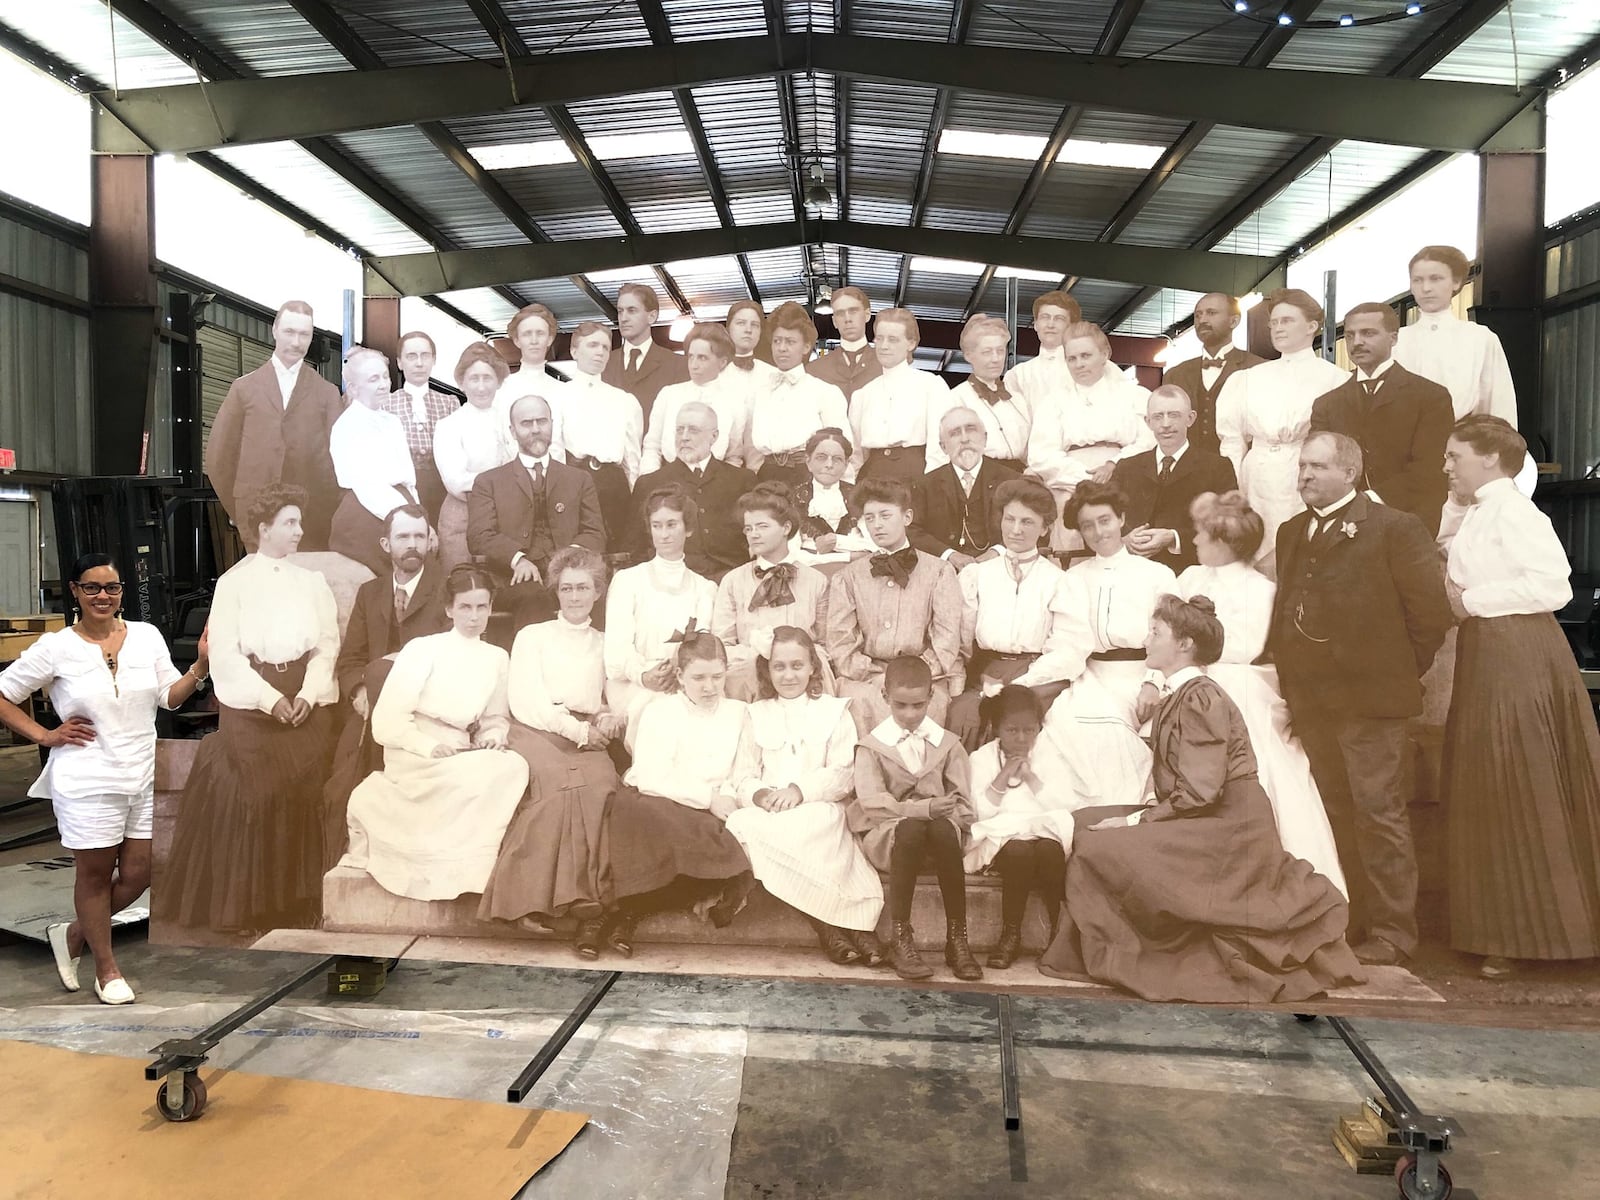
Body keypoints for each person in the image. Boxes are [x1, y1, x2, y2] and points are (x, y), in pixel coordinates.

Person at [1039, 595, 1365, 1004]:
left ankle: (1139, 954)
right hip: (1208, 816)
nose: (1146, 640)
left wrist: (1135, 822)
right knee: (1086, 821)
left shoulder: (1200, 697)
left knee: (1097, 846)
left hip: (1231, 828)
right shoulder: (1182, 693)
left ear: (1184, 644)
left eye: (1155, 633)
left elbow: (1199, 791)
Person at [1268, 432, 1452, 967]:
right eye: (1301, 465)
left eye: (1317, 466)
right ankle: (1350, 921)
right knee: (1333, 814)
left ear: (1350, 472)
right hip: (1314, 704)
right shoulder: (1291, 532)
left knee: (1380, 815)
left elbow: (1431, 618)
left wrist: (1389, 674)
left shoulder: (1395, 528)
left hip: (1371, 705)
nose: (1304, 474)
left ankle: (1395, 933)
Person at [0, 554, 208, 1004]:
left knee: (140, 873)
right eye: (92, 588)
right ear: (74, 590)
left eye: (111, 588)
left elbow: (170, 699)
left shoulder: (147, 636)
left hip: (141, 773)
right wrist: (44, 734)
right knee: (94, 877)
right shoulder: (56, 647)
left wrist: (200, 667)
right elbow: (4, 694)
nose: (102, 596)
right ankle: (106, 968)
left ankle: (75, 933)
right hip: (87, 778)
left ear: (121, 592)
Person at [1440, 415, 1600, 978]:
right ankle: (1500, 928)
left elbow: (1553, 584)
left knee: (1516, 780)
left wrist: (1471, 600)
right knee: (1490, 780)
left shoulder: (1516, 511)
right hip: (1488, 652)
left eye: (1455, 455)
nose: (1447, 465)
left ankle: (1531, 934)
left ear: (1490, 459)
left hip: (1519, 656)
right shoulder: (1479, 512)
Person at [157, 485, 340, 933]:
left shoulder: (313, 583)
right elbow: (224, 656)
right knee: (258, 793)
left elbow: (327, 646)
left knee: (308, 788)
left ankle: (299, 905)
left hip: (304, 698)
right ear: (264, 529)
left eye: (299, 522)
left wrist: (308, 695)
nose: (299, 531)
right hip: (252, 702)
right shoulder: (233, 584)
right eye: (290, 523)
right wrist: (271, 700)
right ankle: (248, 909)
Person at [1176, 491, 1346, 894]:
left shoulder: (1259, 589)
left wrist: (1192, 647)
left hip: (1236, 682)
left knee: (1263, 767)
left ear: (1224, 542)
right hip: (1186, 677)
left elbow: (1243, 647)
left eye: (1202, 534)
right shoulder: (1189, 578)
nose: (1195, 540)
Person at [342, 566, 529, 900]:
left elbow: (497, 717)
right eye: (465, 607)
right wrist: (428, 746)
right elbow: (387, 721)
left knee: (513, 766)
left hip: (461, 750)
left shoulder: (497, 657)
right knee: (480, 776)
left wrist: (494, 735)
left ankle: (472, 870)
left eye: (481, 607)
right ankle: (441, 868)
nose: (474, 617)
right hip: (413, 751)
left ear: (491, 608)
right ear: (449, 609)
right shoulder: (423, 649)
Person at [479, 547, 624, 955]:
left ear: (598, 591)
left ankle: (583, 900)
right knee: (561, 786)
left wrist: (611, 718)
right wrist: (576, 730)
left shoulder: (606, 643)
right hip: (535, 729)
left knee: (600, 785)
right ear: (555, 592)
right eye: (566, 588)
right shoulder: (533, 636)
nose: (574, 596)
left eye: (583, 588)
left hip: (587, 733)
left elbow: (613, 698)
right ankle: (522, 902)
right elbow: (528, 702)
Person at [725, 626, 884, 965]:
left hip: (817, 808)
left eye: (797, 665)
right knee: (742, 823)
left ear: (813, 666)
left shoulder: (834, 710)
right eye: (779, 666)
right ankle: (831, 927)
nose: (788, 675)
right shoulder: (755, 714)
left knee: (816, 821)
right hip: (770, 815)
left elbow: (844, 772)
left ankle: (842, 929)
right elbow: (743, 774)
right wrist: (760, 794)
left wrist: (801, 790)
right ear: (767, 670)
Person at [1014, 481, 1177, 808]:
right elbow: (1068, 646)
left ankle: (1123, 813)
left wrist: (1153, 683)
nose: (1098, 532)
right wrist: (1023, 684)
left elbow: (1171, 639)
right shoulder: (1074, 578)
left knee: (1110, 735)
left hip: (1142, 676)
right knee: (1065, 725)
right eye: (1088, 526)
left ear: (1121, 519)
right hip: (1090, 677)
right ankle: (1074, 816)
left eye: (1105, 520)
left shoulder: (1157, 574)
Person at [601, 632, 753, 956]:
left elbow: (742, 770)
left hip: (709, 808)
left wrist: (723, 796)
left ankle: (632, 912)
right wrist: (706, 797)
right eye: (698, 677)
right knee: (638, 813)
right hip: (666, 798)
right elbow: (653, 775)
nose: (709, 687)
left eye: (717, 676)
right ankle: (619, 914)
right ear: (681, 677)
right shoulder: (661, 711)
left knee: (722, 849)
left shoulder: (739, 712)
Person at [322, 504, 451, 869]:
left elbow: (453, 659)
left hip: (424, 712)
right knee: (342, 781)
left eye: (419, 536)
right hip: (369, 709)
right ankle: (346, 864)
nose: (412, 545)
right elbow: (350, 659)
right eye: (403, 537)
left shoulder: (447, 590)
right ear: (386, 543)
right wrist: (358, 692)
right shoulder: (370, 593)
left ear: (430, 541)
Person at [848, 655, 978, 982]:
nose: (910, 715)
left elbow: (961, 799)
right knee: (911, 828)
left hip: (939, 842)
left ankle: (957, 938)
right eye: (901, 705)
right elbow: (872, 804)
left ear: (931, 698)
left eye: (918, 705)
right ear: (884, 697)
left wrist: (946, 814)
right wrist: (921, 809)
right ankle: (901, 936)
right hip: (893, 839)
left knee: (941, 828)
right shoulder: (872, 747)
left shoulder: (947, 745)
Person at [1216, 289, 1349, 570]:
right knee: (1252, 552)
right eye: (1274, 322)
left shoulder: (1335, 379)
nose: (1278, 328)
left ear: (1311, 326)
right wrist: (1234, 486)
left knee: (1298, 553)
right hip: (1256, 476)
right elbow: (1232, 440)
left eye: (1287, 321)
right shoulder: (1249, 378)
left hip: (1302, 472)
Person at [1394, 246, 1536, 499]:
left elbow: (1498, 403)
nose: (1426, 288)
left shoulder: (1479, 337)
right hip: (1405, 456)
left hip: (1464, 453)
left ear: (1456, 282)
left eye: (1436, 278)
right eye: (1418, 280)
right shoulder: (1396, 342)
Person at [824, 478, 963, 732]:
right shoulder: (849, 577)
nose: (877, 525)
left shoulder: (940, 572)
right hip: (866, 678)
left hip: (924, 677)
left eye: (885, 515)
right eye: (870, 518)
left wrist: (914, 676)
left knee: (925, 709)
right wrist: (872, 674)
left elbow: (947, 638)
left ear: (907, 517)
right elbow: (839, 641)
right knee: (859, 707)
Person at [205, 300, 343, 550]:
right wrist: (240, 509)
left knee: (306, 588)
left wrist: (328, 510)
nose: (296, 342)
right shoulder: (244, 389)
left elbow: (343, 461)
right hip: (257, 519)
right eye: (289, 332)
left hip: (313, 522)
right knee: (265, 587)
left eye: (304, 334)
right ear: (275, 330)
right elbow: (218, 458)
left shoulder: (327, 394)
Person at [1310, 302, 1453, 535]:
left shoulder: (1430, 397)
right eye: (1350, 335)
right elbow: (1317, 466)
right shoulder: (1327, 404)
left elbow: (1430, 469)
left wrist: (1369, 500)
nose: (1357, 342)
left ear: (1393, 338)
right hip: (1341, 525)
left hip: (1409, 521)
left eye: (1368, 333)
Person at [947, 478, 1065, 750]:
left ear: (1045, 527)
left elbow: (1065, 648)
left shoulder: (1058, 581)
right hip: (987, 671)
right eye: (1009, 519)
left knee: (1023, 717)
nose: (1015, 530)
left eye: (1027, 522)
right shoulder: (977, 575)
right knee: (964, 713)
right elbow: (962, 641)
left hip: (1039, 675)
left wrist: (1023, 681)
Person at [467, 392, 605, 624]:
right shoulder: (489, 482)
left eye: (541, 421)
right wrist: (517, 559)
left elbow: (595, 533)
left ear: (552, 424)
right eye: (526, 423)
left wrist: (567, 562)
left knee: (593, 592)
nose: (535, 429)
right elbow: (479, 536)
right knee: (533, 596)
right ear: (512, 431)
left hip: (568, 577)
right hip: (513, 581)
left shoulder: (579, 479)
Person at [964, 686, 1074, 969]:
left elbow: (1064, 803)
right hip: (1003, 835)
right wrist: (1004, 775)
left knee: (1050, 851)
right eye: (1013, 731)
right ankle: (1010, 935)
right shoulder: (982, 758)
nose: (1022, 738)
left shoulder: (1050, 756)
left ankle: (1057, 934)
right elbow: (979, 812)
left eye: (1030, 730)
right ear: (997, 728)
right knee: (1020, 853)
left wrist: (1030, 777)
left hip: (1042, 829)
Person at [1025, 321, 1153, 553]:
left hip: (1124, 480)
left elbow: (1148, 440)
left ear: (1104, 354)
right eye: (1072, 358)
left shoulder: (1135, 395)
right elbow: (1041, 454)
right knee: (1073, 552)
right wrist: (1085, 481)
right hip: (1070, 486)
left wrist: (1115, 464)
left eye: (1086, 355)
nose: (1079, 364)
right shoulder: (1053, 402)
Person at [604, 486, 718, 739]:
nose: (664, 534)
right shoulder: (628, 580)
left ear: (688, 529)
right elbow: (615, 654)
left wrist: (679, 673)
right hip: (633, 685)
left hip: (685, 683)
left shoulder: (705, 588)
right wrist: (644, 677)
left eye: (671, 525)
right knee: (665, 716)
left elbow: (702, 646)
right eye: (657, 526)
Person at [713, 484, 831, 702]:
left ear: (786, 528)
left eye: (762, 526)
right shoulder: (733, 581)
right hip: (749, 681)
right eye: (748, 528)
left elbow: (824, 644)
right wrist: (759, 653)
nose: (753, 534)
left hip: (802, 680)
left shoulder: (816, 581)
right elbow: (722, 646)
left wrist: (792, 659)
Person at [1110, 384, 1238, 574]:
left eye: (1174, 415)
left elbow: (1229, 527)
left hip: (1190, 572)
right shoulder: (1126, 468)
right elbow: (1106, 517)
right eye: (1158, 416)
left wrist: (1174, 538)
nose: (1166, 424)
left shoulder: (1217, 467)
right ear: (1148, 422)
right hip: (1130, 572)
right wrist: (1122, 540)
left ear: (1191, 418)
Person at [630, 401, 756, 579]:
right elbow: (636, 549)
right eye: (680, 430)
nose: (684, 437)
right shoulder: (650, 484)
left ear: (714, 436)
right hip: (670, 582)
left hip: (731, 580)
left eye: (693, 430)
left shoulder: (742, 481)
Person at [329, 346, 419, 577]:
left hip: (402, 508)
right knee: (385, 582)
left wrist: (418, 515)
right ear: (354, 388)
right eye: (373, 379)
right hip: (366, 514)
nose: (383, 384)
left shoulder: (392, 421)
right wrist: (403, 520)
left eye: (385, 376)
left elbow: (409, 479)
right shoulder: (347, 425)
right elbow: (367, 485)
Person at [555, 320, 644, 548]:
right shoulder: (558, 396)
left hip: (613, 485)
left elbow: (632, 458)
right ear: (574, 351)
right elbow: (554, 447)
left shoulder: (625, 400)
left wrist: (634, 498)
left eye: (605, 347)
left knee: (616, 550)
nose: (600, 352)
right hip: (573, 479)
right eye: (593, 345)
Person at [746, 302, 851, 486]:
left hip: (807, 477)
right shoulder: (760, 391)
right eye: (777, 341)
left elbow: (842, 449)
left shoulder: (825, 392)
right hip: (767, 477)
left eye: (790, 341)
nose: (782, 348)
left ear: (805, 347)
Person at [433, 341, 515, 572]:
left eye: (487, 378)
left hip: (509, 517)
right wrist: (503, 482)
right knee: (463, 585)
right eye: (474, 378)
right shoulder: (449, 425)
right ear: (461, 382)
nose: (481, 387)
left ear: (498, 381)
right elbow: (456, 481)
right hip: (462, 518)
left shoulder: (511, 421)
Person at [846, 308, 949, 483]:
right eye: (879, 338)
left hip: (915, 477)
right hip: (872, 477)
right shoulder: (862, 395)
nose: (884, 346)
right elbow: (856, 454)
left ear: (911, 344)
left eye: (893, 340)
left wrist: (931, 489)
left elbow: (939, 449)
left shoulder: (931, 385)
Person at [909, 406, 1020, 567]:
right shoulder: (924, 486)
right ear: (943, 447)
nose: (964, 439)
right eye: (954, 433)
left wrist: (998, 551)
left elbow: (1033, 526)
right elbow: (912, 530)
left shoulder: (1012, 480)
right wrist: (949, 555)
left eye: (971, 430)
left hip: (1003, 569)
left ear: (985, 438)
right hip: (944, 573)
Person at [1159, 292, 1264, 455]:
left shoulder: (1258, 369)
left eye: (1211, 313)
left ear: (1234, 321)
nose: (1202, 320)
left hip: (1239, 469)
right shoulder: (1175, 375)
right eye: (1198, 315)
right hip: (1186, 471)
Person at [642, 323, 747, 473]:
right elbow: (652, 447)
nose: (694, 365)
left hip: (715, 482)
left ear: (722, 362)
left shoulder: (734, 402)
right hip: (670, 479)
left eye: (702, 358)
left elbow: (734, 457)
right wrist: (650, 482)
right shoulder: (669, 394)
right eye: (691, 357)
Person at [937, 315, 1031, 473]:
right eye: (987, 352)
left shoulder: (1018, 398)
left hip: (1022, 477)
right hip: (982, 478)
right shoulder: (956, 399)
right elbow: (945, 451)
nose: (995, 359)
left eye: (1000, 351)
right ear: (968, 355)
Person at [385, 330, 458, 527]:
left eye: (425, 356)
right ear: (400, 363)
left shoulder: (449, 403)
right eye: (411, 356)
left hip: (443, 488)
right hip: (402, 489)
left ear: (433, 360)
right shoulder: (386, 404)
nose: (419, 363)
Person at [602, 282, 689, 427]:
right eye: (620, 311)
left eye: (632, 310)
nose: (623, 318)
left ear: (652, 316)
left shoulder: (677, 365)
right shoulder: (603, 364)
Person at [497, 302, 569, 456]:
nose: (534, 340)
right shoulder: (501, 389)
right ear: (517, 340)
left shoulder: (564, 391)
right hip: (511, 474)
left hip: (556, 475)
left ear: (550, 339)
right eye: (527, 334)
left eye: (540, 333)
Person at [1003, 290, 1082, 416]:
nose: (1050, 324)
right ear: (1035, 325)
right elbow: (1012, 423)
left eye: (1059, 319)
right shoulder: (1017, 375)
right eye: (1045, 317)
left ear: (1072, 326)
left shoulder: (1090, 368)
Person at [806, 285, 882, 401]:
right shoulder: (814, 371)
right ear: (834, 321)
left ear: (867, 315)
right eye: (840, 313)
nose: (847, 319)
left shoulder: (886, 368)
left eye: (853, 311)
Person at [792, 427, 859, 555]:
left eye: (837, 459)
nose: (829, 464)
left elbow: (871, 542)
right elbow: (791, 549)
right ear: (808, 462)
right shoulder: (794, 497)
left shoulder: (859, 496)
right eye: (821, 457)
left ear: (846, 464)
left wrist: (836, 542)